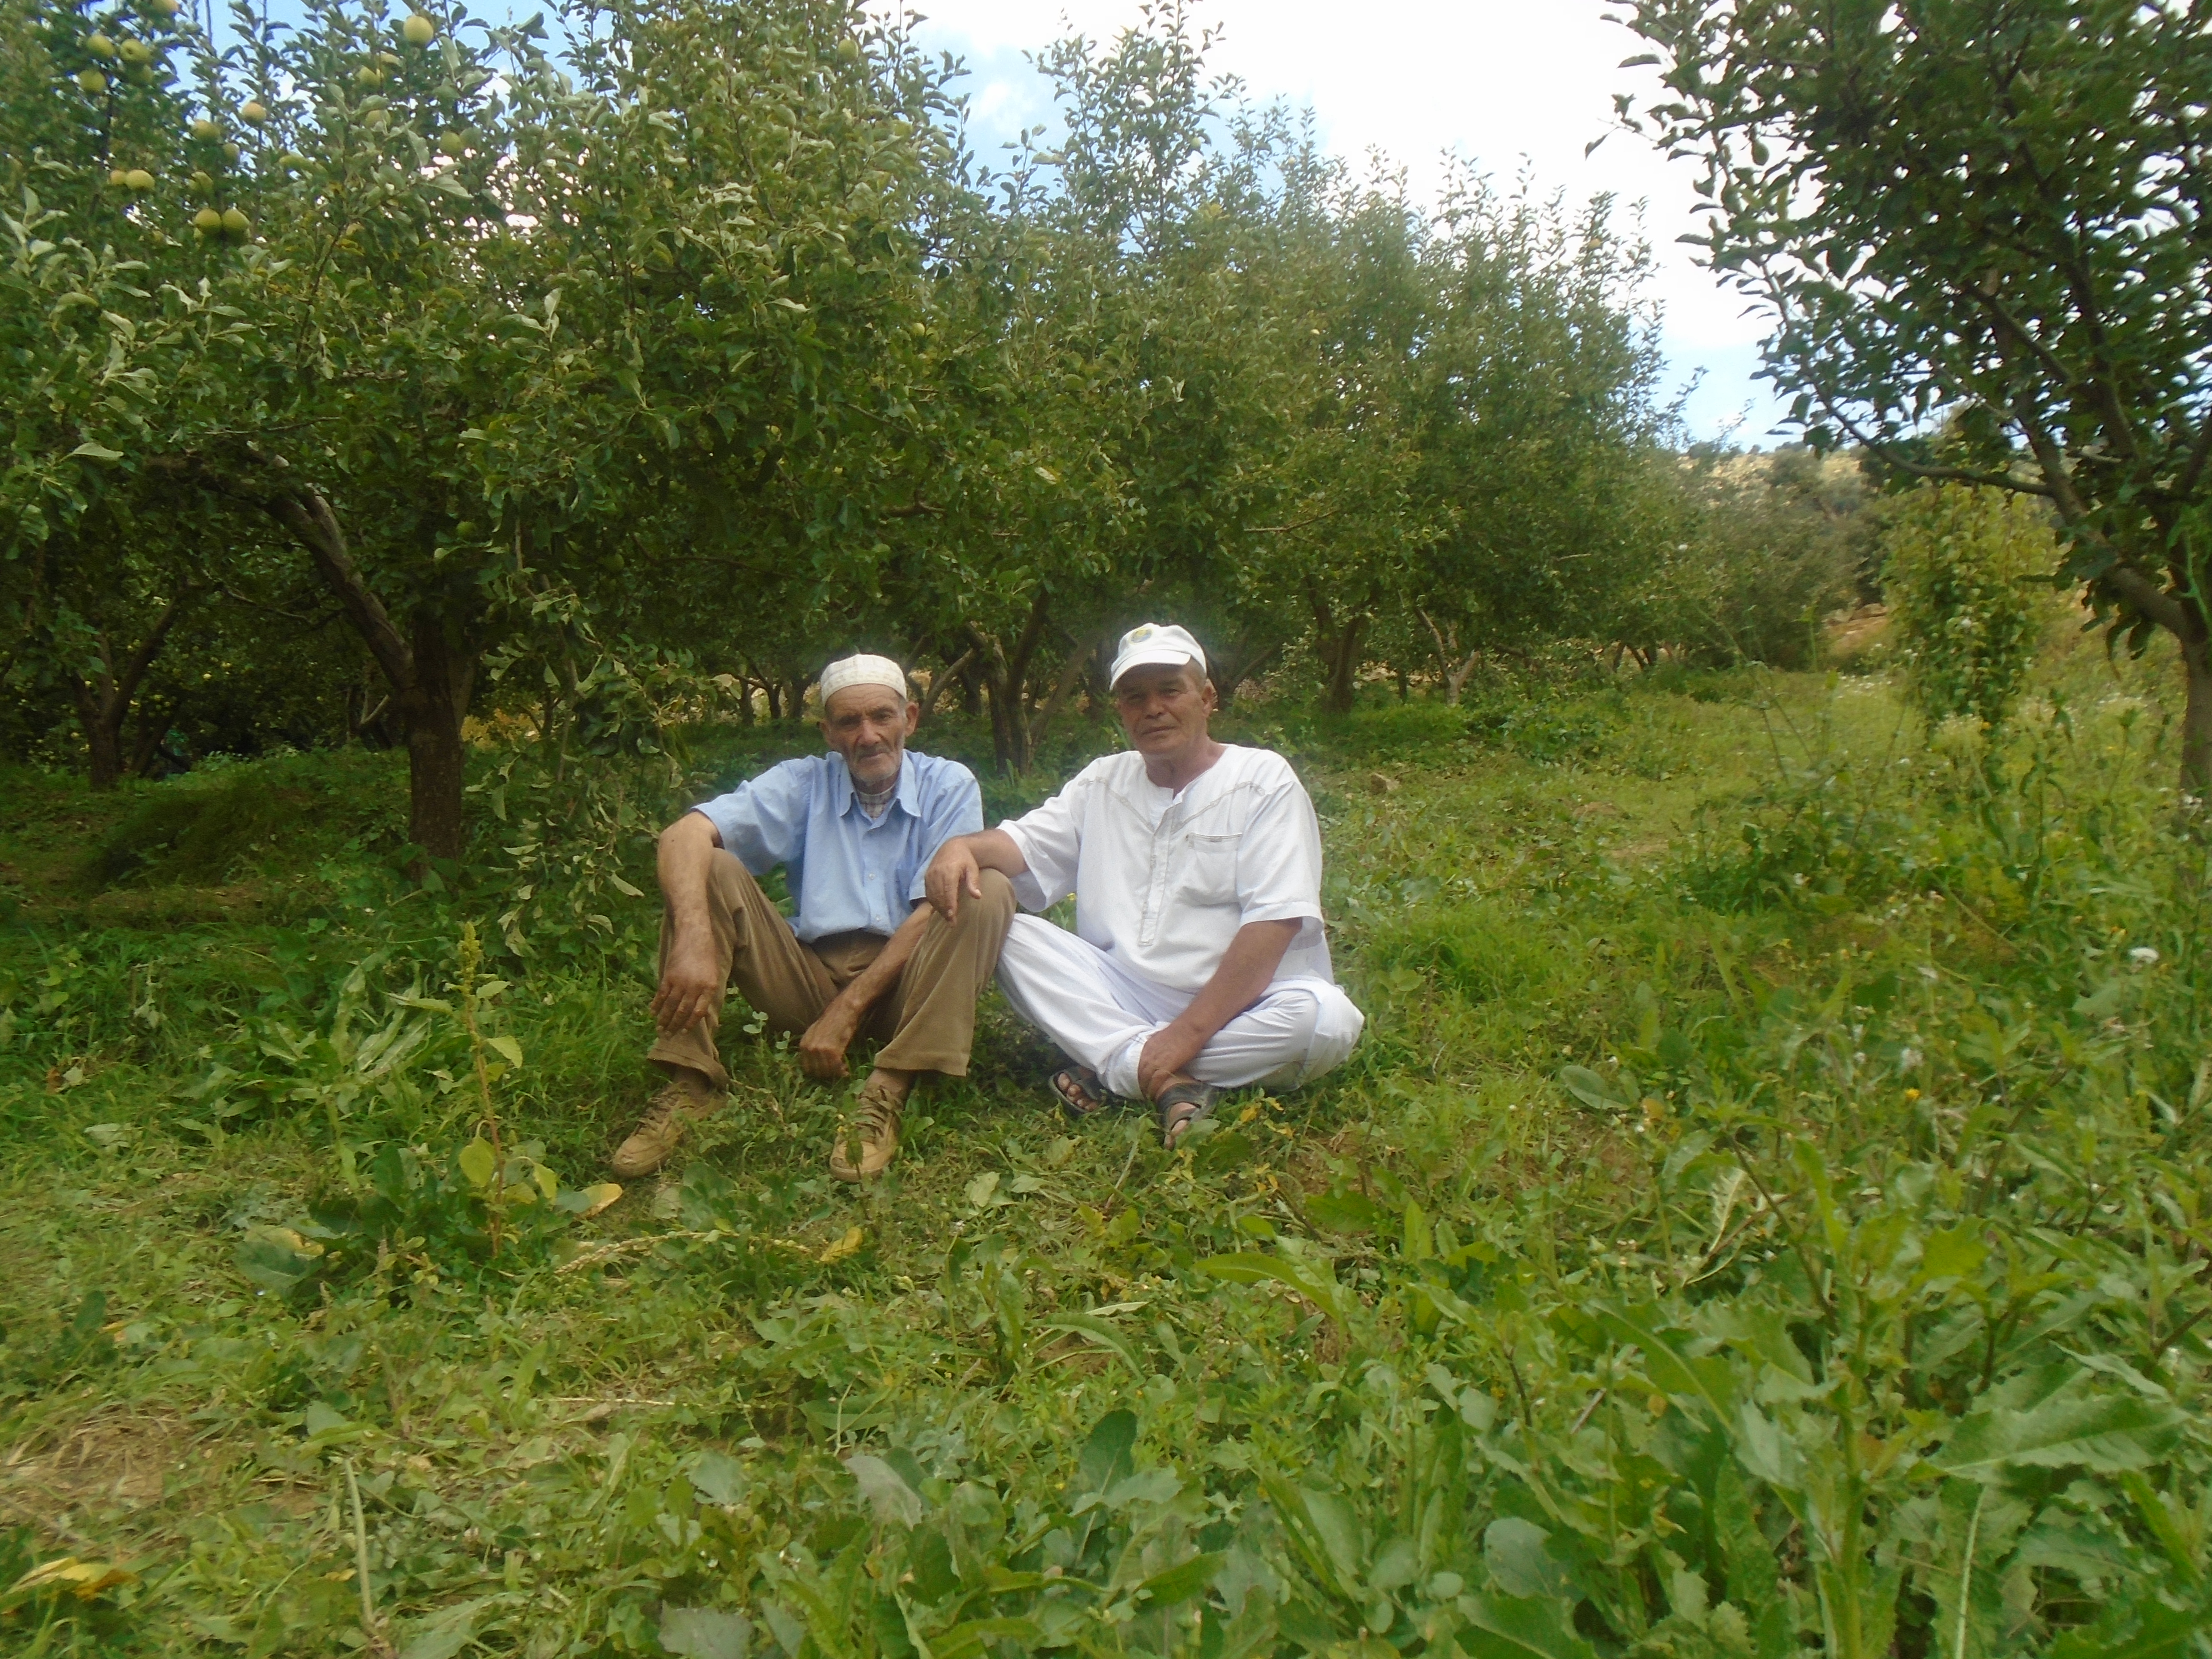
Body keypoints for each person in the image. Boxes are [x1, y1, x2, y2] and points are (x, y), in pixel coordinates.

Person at [924, 623, 1362, 1145]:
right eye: (1135, 697)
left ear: (1206, 698)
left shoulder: (1263, 780)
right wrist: (960, 847)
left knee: (1326, 1022)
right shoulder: (1103, 781)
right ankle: (1162, 1076)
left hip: (1244, 1003)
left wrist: (1185, 1035)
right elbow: (1022, 845)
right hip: (1124, 991)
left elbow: (1275, 922)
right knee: (1006, 932)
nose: (1153, 709)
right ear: (1121, 712)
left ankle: (1116, 1063)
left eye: (1169, 691)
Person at [620, 653, 1015, 1182]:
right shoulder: (804, 783)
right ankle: (690, 1080)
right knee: (708, 865)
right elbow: (681, 835)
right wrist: (693, 938)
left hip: (911, 986)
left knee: (985, 885)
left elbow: (935, 911)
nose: (868, 736)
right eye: (849, 722)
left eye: (882, 716)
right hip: (806, 981)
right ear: (828, 733)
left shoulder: (948, 784)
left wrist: (848, 1010)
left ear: (910, 719)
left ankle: (890, 1083)